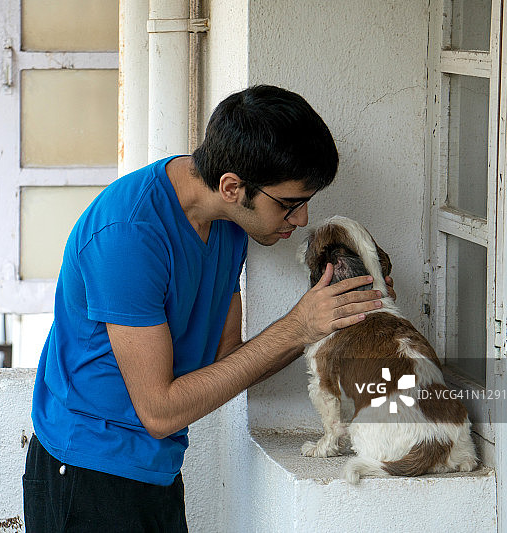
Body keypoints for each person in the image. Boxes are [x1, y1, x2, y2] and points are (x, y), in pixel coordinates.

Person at [23, 85, 391, 532]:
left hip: (155, 469)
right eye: (290, 204)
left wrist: (326, 320)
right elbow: (159, 412)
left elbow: (228, 363)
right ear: (232, 186)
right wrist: (297, 327)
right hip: (87, 472)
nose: (302, 220)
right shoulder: (129, 236)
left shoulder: (228, 222)